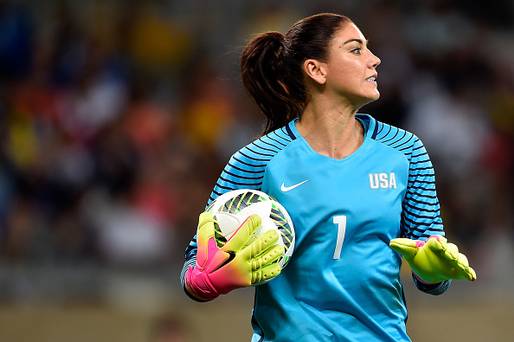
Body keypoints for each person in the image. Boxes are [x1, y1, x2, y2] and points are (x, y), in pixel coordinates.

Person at [180, 13, 476, 341]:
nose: (374, 60)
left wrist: (433, 273)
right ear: (316, 70)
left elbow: (432, 259)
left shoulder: (406, 151)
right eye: (356, 50)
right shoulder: (259, 159)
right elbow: (196, 261)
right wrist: (204, 280)